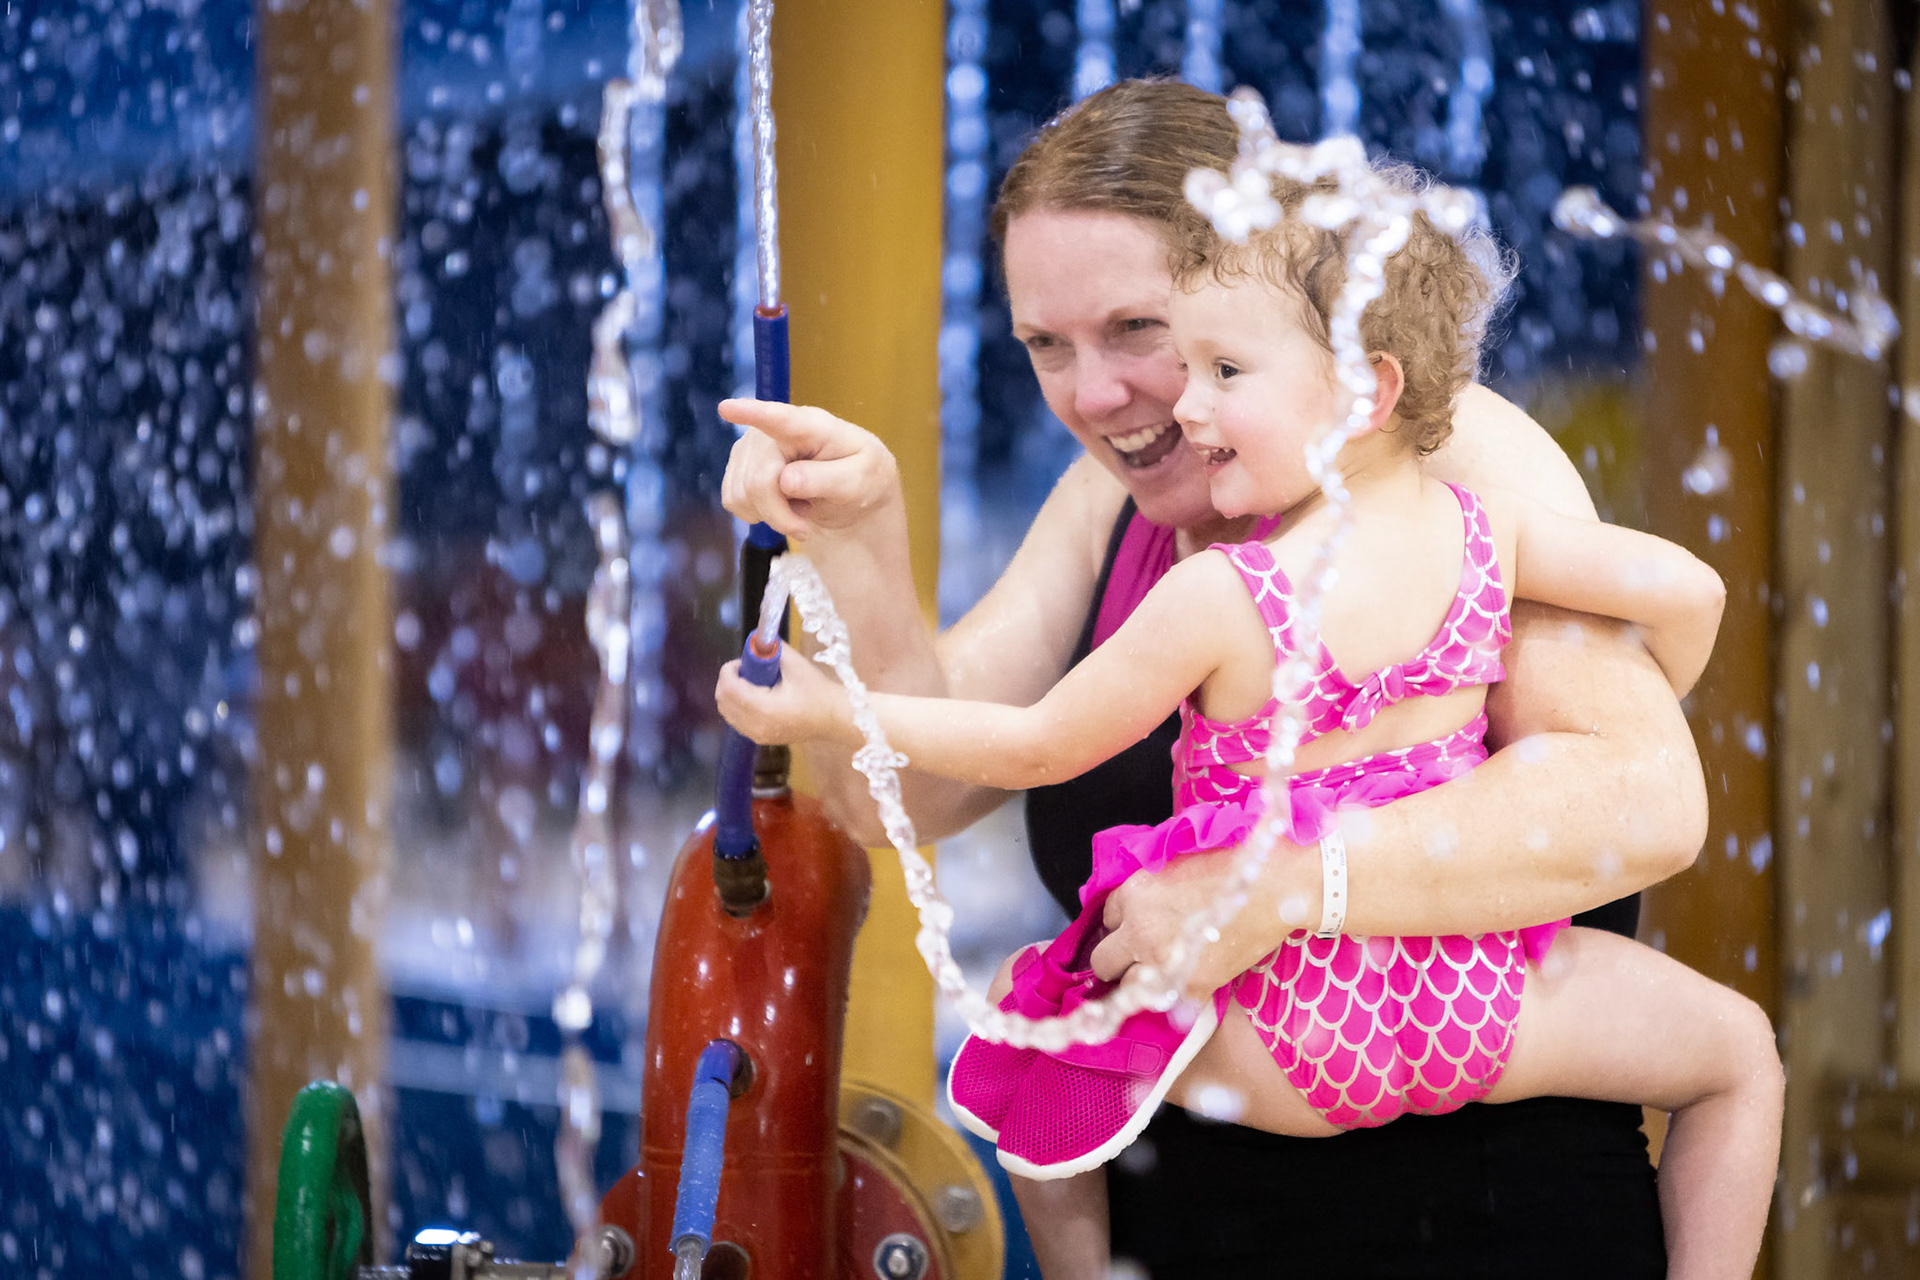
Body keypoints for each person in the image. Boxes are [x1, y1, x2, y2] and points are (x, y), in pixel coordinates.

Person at [717, 80, 1725, 1279]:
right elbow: (907, 797)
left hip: (1485, 1220)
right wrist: (860, 542)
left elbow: (1644, 801)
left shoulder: (1446, 463)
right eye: (1047, 344)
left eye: (1138, 330)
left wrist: (1288, 883)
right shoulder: (1114, 496)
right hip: (1188, 1226)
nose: (1095, 395)